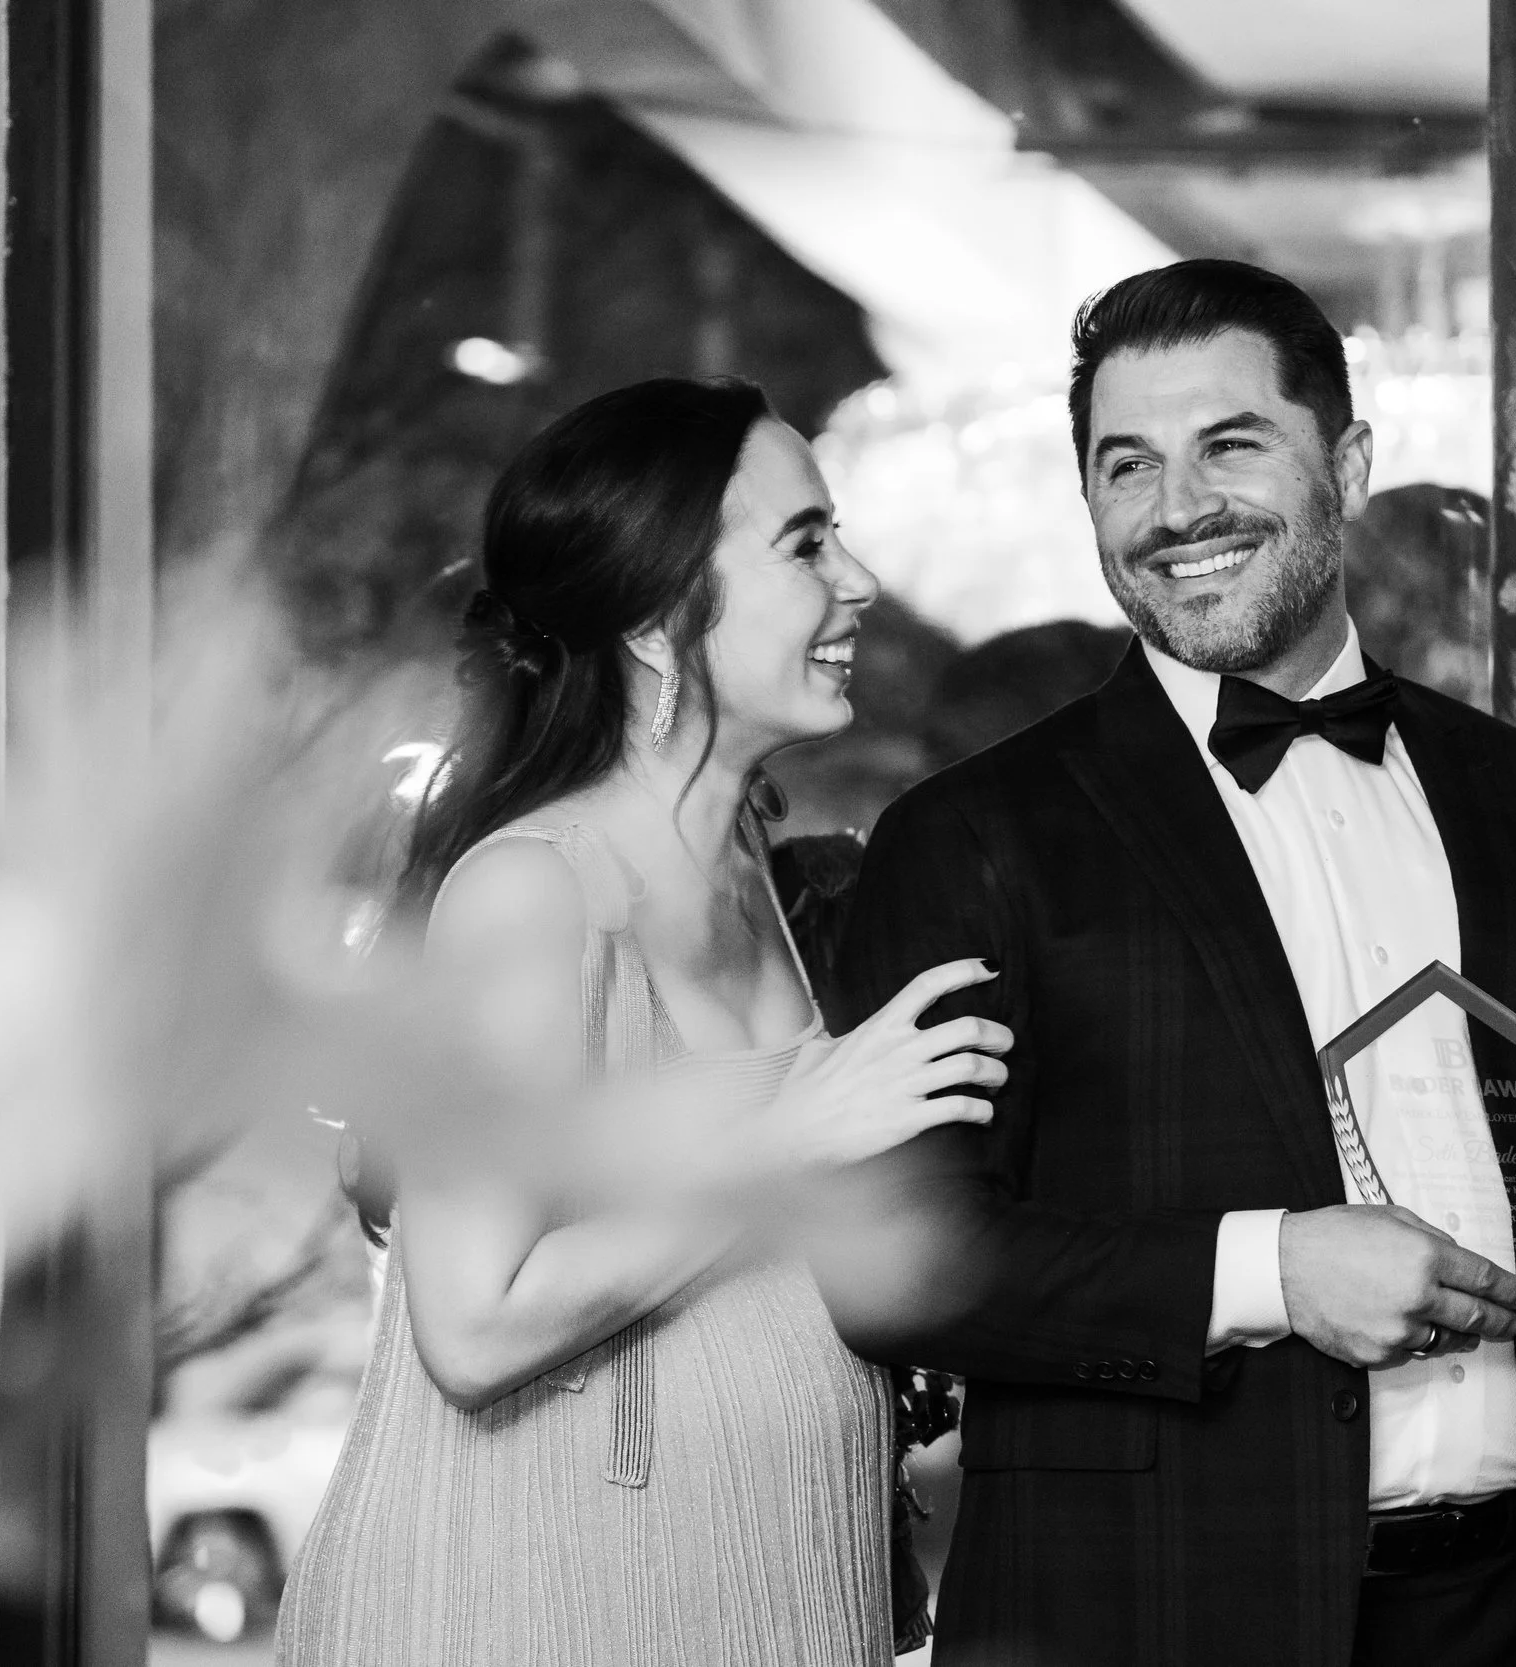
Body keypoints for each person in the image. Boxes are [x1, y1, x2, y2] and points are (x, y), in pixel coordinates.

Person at [832, 260, 1516, 1666]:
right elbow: (900, 1262)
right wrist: (1268, 1272)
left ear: (1353, 462)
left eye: (1231, 444)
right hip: (1158, 1611)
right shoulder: (969, 836)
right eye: (1124, 464)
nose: (1176, 507)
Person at [275, 377, 1011, 1667]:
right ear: (662, 616)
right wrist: (797, 1140)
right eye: (805, 543)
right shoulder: (534, 891)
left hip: (770, 1594)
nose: (861, 582)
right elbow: (473, 1321)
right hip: (536, 1609)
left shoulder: (783, 889)